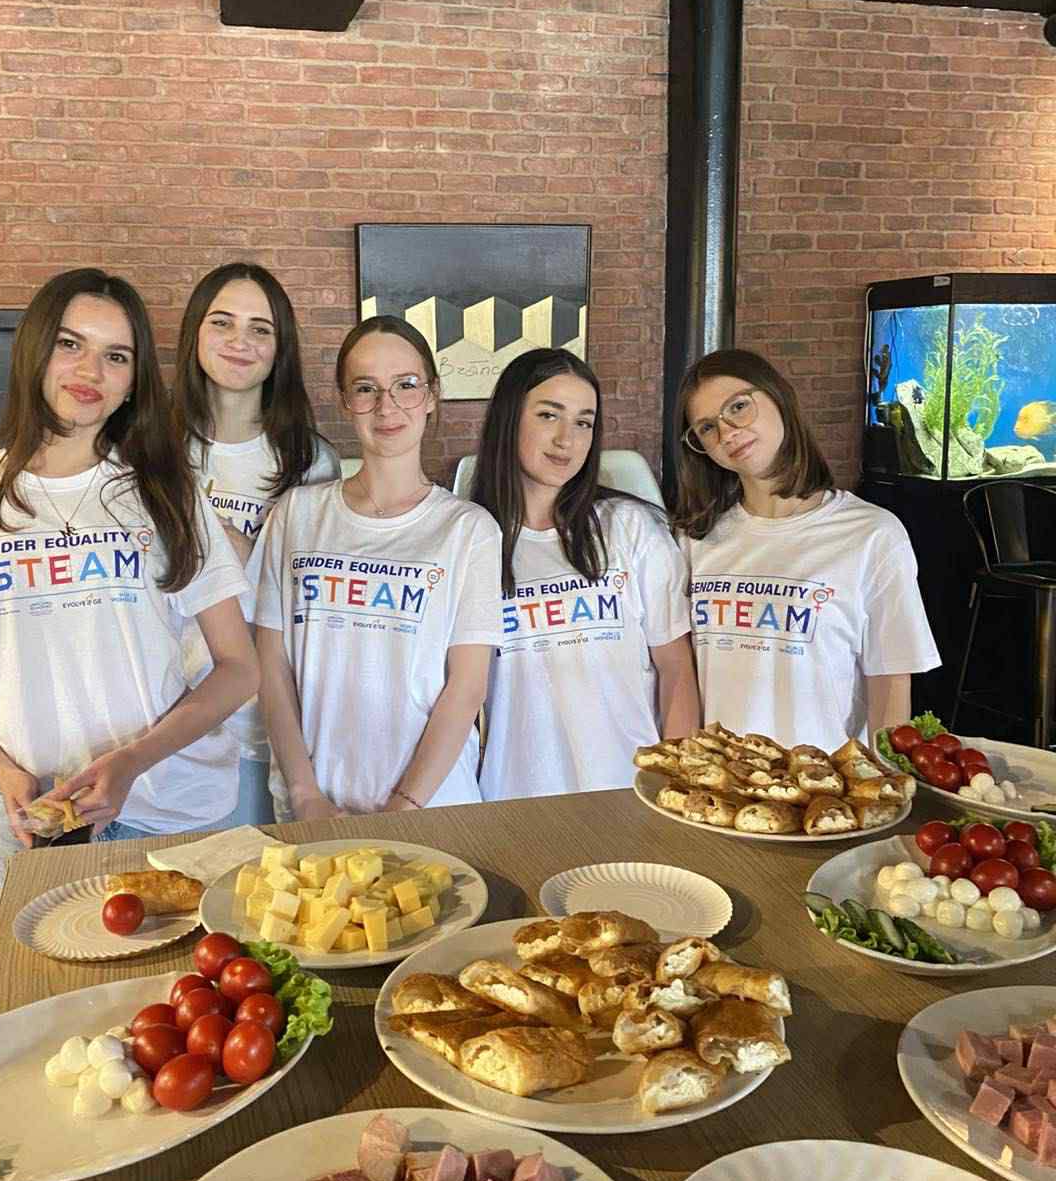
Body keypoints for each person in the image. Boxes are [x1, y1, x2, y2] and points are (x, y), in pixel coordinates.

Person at [0, 268, 260, 895]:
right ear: (34, 351)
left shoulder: (167, 493)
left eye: (116, 356)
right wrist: (5, 775)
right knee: (43, 961)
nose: (90, 371)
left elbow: (239, 667)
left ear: (133, 382)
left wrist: (133, 760)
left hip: (170, 812)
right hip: (37, 816)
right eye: (70, 344)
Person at [256, 315, 502, 818]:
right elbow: (272, 667)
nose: (387, 406)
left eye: (406, 385)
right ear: (345, 401)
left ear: (432, 395)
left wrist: (403, 808)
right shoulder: (297, 514)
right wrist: (304, 794)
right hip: (313, 809)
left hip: (430, 809)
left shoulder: (469, 529)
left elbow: (467, 687)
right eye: (366, 388)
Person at [674, 347, 939, 751]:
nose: (728, 433)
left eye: (739, 407)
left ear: (779, 397)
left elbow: (890, 678)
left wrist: (884, 777)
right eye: (708, 427)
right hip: (721, 780)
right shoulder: (696, 538)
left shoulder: (872, 534)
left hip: (824, 781)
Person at [471, 348, 698, 800]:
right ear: (508, 419)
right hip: (513, 801)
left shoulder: (629, 527)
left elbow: (675, 668)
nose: (567, 440)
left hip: (631, 794)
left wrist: (677, 785)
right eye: (548, 415)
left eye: (583, 422)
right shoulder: (471, 540)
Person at [173, 262, 339, 826]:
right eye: (222, 322)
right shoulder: (151, 448)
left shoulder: (310, 460)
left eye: (260, 328)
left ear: (279, 347)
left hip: (259, 722)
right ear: (196, 332)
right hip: (163, 719)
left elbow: (311, 601)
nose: (239, 341)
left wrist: (237, 550)